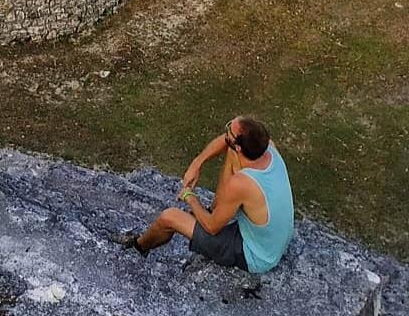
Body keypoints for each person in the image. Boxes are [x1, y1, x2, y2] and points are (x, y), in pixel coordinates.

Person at [117, 116, 294, 275]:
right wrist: (197, 163)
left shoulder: (242, 183)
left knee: (169, 217)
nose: (225, 134)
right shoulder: (268, 147)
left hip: (255, 256)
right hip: (273, 242)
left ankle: (138, 248)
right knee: (231, 155)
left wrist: (189, 197)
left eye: (229, 131)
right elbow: (228, 143)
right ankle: (215, 209)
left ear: (240, 146)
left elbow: (211, 227)